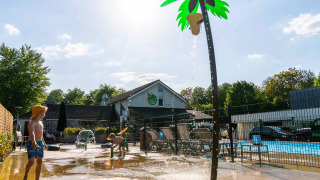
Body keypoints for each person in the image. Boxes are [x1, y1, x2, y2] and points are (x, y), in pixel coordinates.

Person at [24, 105, 48, 180]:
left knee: (39, 161)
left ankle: (37, 178)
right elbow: (32, 133)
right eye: (44, 113)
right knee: (31, 162)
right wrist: (34, 142)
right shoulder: (32, 122)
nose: (44, 115)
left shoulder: (41, 123)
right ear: (39, 113)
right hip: (32, 143)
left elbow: (41, 134)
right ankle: (26, 175)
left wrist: (44, 142)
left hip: (40, 143)